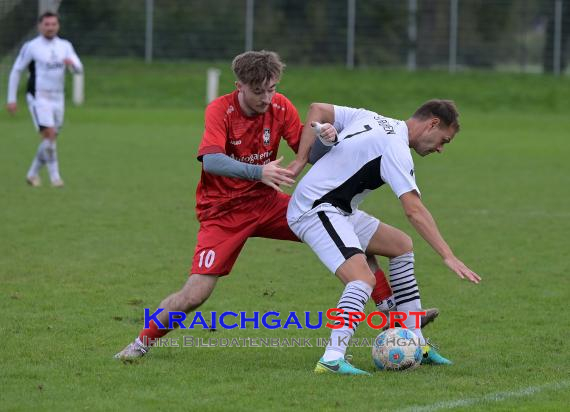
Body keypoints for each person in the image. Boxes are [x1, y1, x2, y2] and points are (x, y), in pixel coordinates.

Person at [114, 51, 435, 360]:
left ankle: (394, 316)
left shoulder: (280, 107)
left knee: (355, 235)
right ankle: (141, 343)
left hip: (271, 205)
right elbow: (211, 161)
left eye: (272, 89)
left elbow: (307, 153)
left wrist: (327, 138)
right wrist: (259, 171)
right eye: (258, 92)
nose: (266, 98)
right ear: (238, 86)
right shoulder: (219, 111)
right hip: (222, 214)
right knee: (195, 294)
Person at [286, 99, 481, 375]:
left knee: (401, 245)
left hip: (339, 210)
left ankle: (416, 344)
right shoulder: (396, 148)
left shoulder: (372, 117)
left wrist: (300, 159)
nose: (440, 149)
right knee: (361, 279)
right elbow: (414, 210)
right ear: (433, 124)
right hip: (314, 209)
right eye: (443, 141)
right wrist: (447, 255)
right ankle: (331, 359)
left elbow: (317, 108)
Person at [6, 11, 83, 188]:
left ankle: (32, 174)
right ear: (40, 26)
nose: (50, 27)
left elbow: (79, 69)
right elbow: (17, 71)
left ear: (58, 26)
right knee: (48, 134)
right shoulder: (32, 47)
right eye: (46, 24)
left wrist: (73, 65)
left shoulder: (65, 46)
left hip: (58, 97)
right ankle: (56, 178)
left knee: (50, 139)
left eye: (53, 24)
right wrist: (11, 99)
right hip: (38, 97)